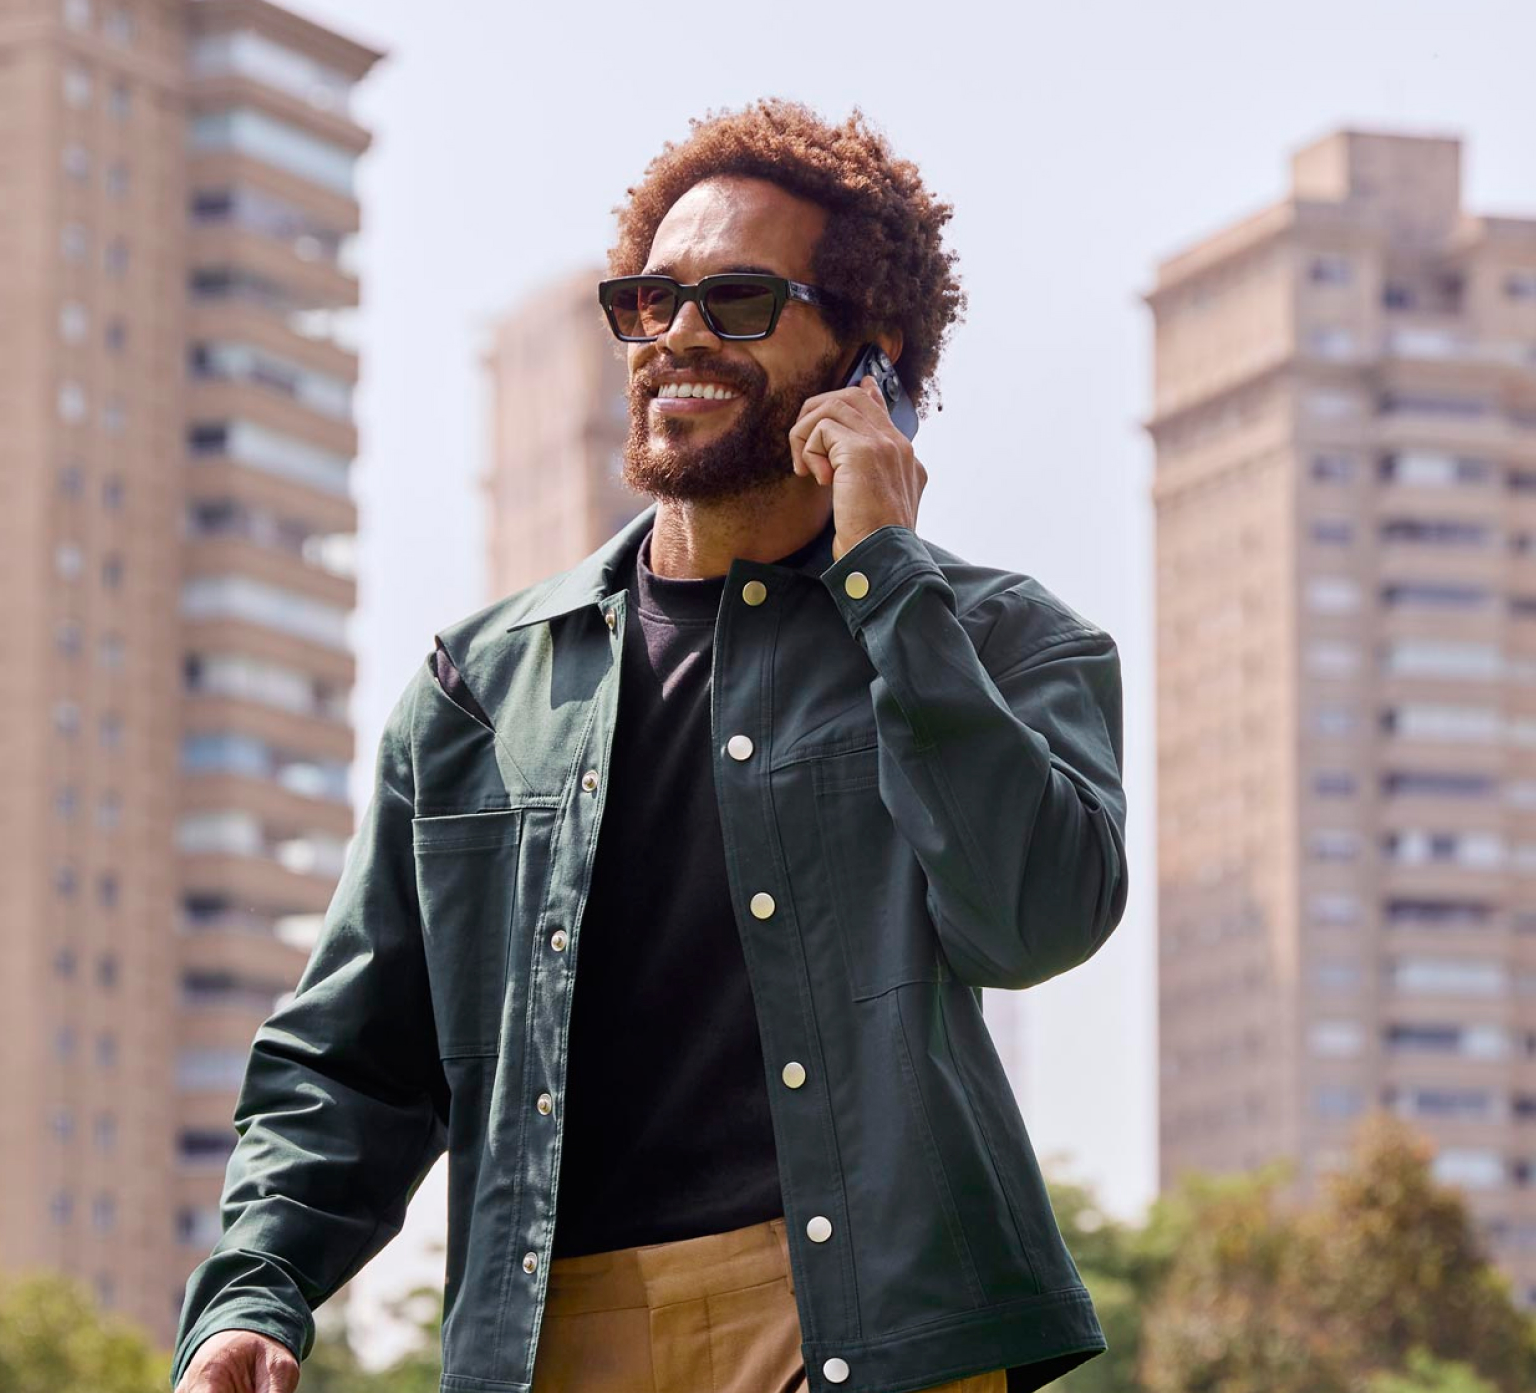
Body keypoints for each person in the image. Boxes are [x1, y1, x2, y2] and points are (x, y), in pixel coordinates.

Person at [172, 98, 1128, 1393]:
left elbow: (1034, 921)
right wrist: (255, 1289)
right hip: (552, 1336)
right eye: (650, 301)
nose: (676, 335)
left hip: (869, 1328)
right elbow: (350, 1055)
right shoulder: (480, 691)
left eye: (736, 300)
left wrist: (890, 580)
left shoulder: (1006, 640)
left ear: (871, 353)